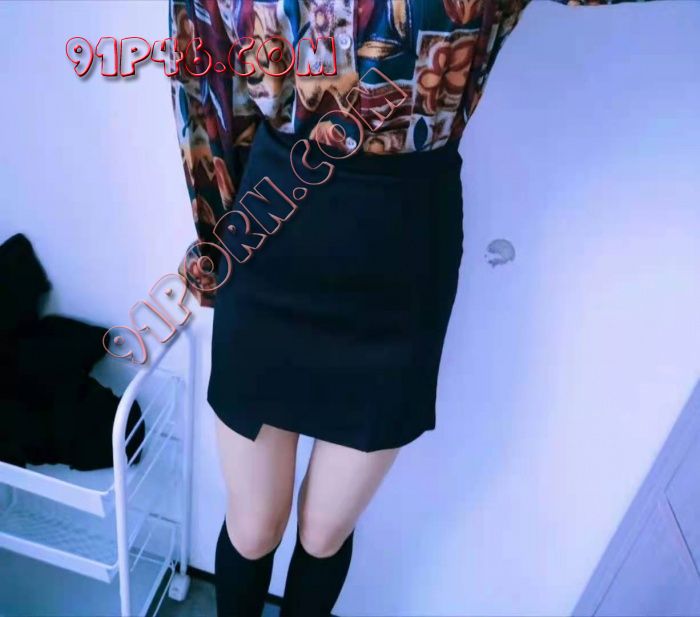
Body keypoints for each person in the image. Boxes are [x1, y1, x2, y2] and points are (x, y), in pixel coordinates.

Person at [167, 0, 661, 614]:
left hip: (402, 259)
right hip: (270, 233)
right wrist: (216, 244)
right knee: (253, 524)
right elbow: (203, 68)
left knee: (324, 531)